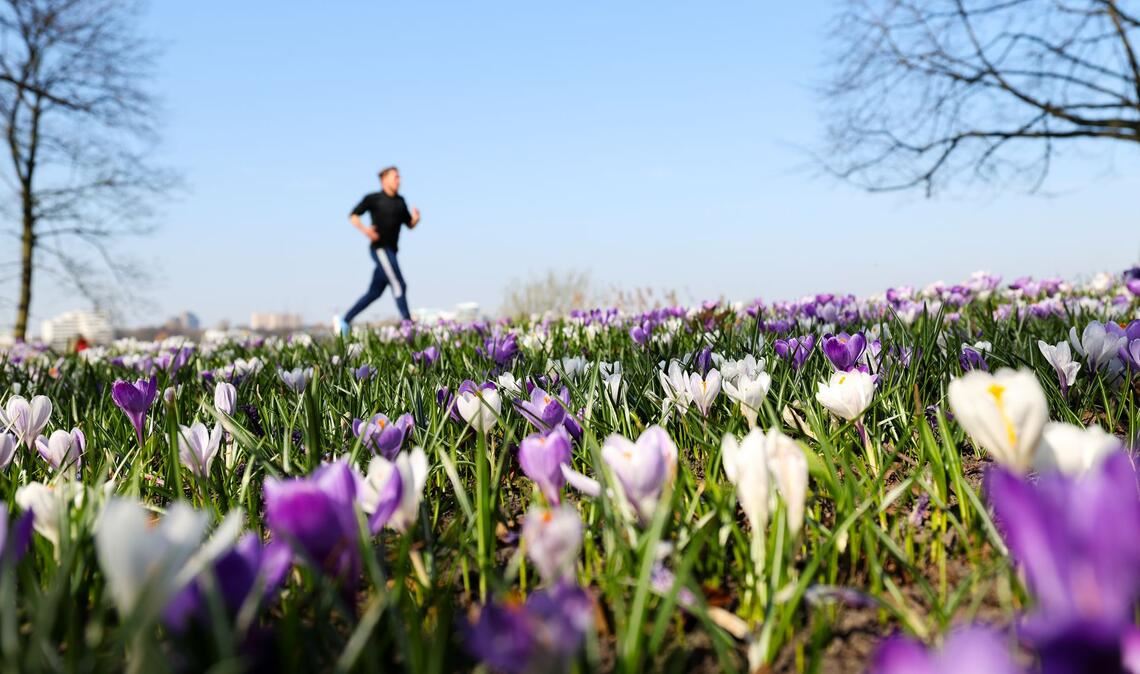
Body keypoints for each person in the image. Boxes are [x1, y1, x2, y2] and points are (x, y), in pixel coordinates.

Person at [334, 166, 421, 336]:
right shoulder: (373, 199)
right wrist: (366, 231)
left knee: (374, 293)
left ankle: (345, 320)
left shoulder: (400, 202)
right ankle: (407, 326)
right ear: (384, 180)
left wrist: (416, 219)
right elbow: (353, 215)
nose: (399, 180)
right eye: (395, 177)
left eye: (399, 177)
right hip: (380, 249)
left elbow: (409, 224)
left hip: (392, 252)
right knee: (399, 284)